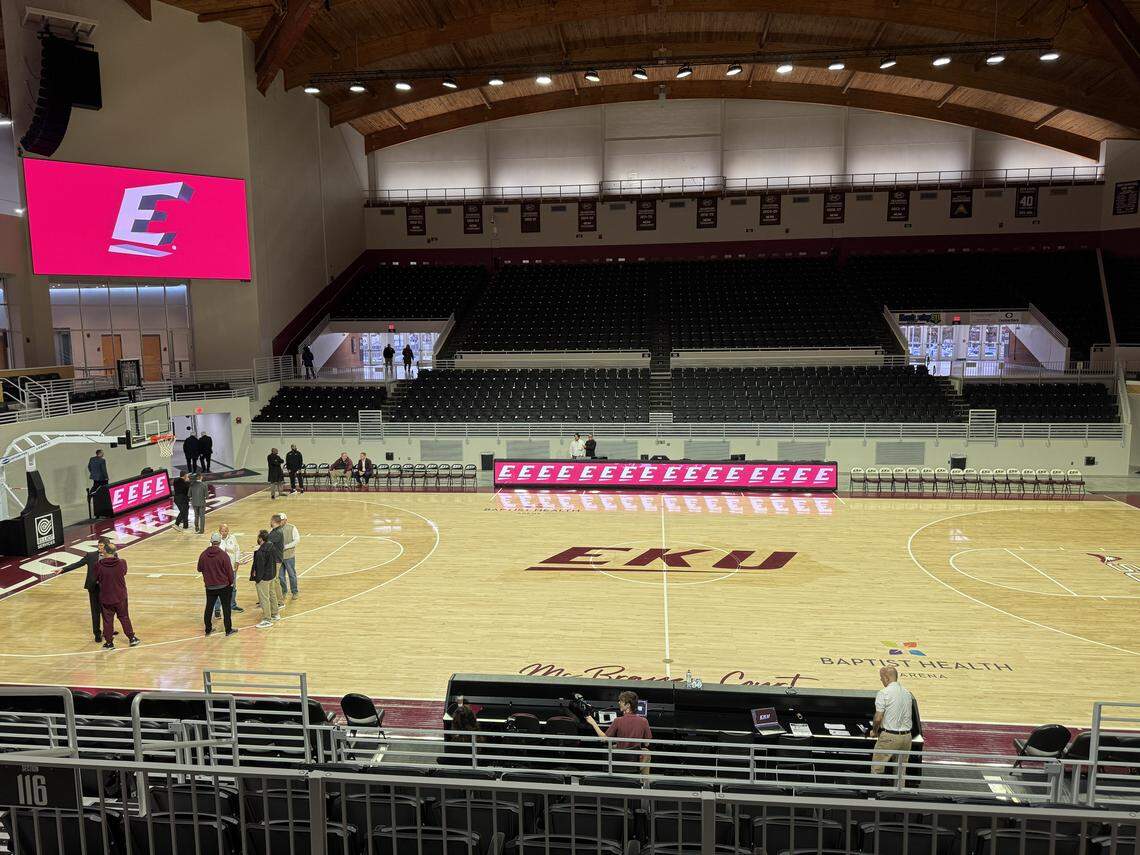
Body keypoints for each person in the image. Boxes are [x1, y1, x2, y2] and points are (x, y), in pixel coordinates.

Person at [60, 536, 112, 642]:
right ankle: (97, 634)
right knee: (95, 612)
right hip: (94, 587)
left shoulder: (113, 555)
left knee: (107, 611)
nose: (99, 547)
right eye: (98, 545)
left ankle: (108, 631)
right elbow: (78, 564)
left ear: (107, 546)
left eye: (101, 545)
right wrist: (63, 569)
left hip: (106, 588)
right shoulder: (91, 555)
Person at [586, 690, 652, 775]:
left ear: (628, 705)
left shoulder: (618, 721)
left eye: (621, 701)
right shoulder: (644, 721)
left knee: (613, 747)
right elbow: (647, 743)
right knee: (646, 751)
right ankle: (644, 782)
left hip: (620, 759)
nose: (619, 703)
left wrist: (593, 723)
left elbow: (603, 739)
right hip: (634, 760)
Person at [870, 666, 915, 778]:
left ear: (886, 678)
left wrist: (874, 731)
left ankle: (875, 794)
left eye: (881, 678)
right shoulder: (907, 693)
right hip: (907, 737)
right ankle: (898, 794)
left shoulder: (884, 693)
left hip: (889, 736)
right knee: (900, 772)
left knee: (877, 768)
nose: (881, 680)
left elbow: (878, 718)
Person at [94, 544, 139, 650]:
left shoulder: (98, 565)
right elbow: (124, 572)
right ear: (115, 552)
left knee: (107, 620)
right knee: (124, 617)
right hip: (120, 596)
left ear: (104, 551)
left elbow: (97, 578)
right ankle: (132, 638)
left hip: (106, 597)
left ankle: (109, 643)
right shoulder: (122, 563)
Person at [198, 532, 237, 637]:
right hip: (223, 586)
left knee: (209, 608)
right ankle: (228, 630)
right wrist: (231, 582)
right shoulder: (223, 555)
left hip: (210, 586)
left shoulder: (203, 554)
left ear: (211, 542)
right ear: (220, 542)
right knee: (226, 608)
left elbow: (199, 568)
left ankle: (208, 630)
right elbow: (229, 572)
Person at [250, 528, 282, 628]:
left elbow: (259, 568)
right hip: (272, 575)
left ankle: (267, 619)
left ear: (261, 538)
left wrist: (258, 579)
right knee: (272, 594)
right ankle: (275, 614)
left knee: (264, 598)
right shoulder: (271, 546)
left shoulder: (261, 552)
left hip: (264, 578)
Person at [213, 523, 244, 620]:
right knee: (219, 589)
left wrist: (237, 561)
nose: (224, 533)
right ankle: (217, 610)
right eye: (222, 531)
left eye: (226, 531)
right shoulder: (215, 540)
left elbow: (237, 549)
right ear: (219, 531)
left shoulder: (233, 538)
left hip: (232, 568)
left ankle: (232, 605)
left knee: (233, 587)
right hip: (221, 570)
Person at [269, 512, 301, 601]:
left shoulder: (292, 528)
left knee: (292, 575)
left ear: (286, 520)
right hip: (278, 557)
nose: (281, 521)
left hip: (289, 556)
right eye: (279, 520)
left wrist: (286, 546)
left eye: (282, 520)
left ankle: (295, 591)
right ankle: (284, 591)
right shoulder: (274, 529)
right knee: (280, 576)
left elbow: (297, 540)